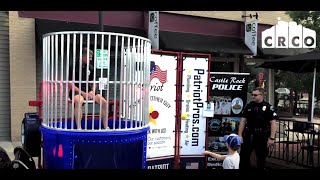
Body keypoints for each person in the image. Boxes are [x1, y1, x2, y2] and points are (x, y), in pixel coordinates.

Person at [68, 47, 109, 129]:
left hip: (89, 91)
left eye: (91, 58)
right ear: (83, 56)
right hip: (77, 91)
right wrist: (83, 93)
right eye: (89, 57)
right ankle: (79, 128)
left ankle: (105, 126)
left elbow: (93, 81)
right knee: (79, 100)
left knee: (104, 102)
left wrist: (92, 91)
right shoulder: (73, 66)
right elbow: (70, 84)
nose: (90, 59)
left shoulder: (90, 67)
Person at [238, 87, 277, 169]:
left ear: (261, 95)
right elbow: (243, 121)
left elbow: (273, 123)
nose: (253, 96)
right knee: (244, 156)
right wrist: (240, 135)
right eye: (252, 94)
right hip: (249, 135)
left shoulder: (268, 107)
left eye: (255, 95)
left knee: (261, 158)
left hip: (262, 135)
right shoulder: (249, 106)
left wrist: (272, 138)